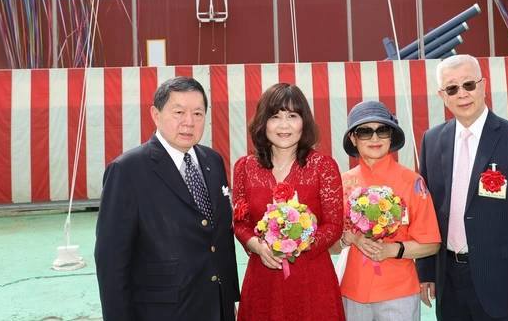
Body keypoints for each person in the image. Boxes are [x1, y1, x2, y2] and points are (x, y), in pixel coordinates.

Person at [94, 76, 239, 321]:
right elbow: (111, 260)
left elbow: (221, 238)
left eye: (198, 113)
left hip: (216, 306)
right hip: (162, 311)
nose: (189, 122)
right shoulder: (128, 170)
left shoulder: (213, 161)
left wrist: (228, 298)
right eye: (179, 112)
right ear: (156, 114)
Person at [416, 54, 508, 321]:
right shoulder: (432, 140)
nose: (462, 94)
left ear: (483, 85)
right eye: (452, 88)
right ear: (442, 95)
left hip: (501, 284)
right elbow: (427, 213)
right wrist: (426, 271)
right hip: (448, 281)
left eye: (468, 84)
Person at [232, 83, 345, 321]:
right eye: (275, 116)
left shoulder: (323, 166)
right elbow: (240, 223)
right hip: (263, 276)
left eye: (292, 116)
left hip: (312, 279)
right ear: (263, 122)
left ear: (304, 122)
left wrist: (297, 245)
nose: (284, 125)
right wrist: (257, 246)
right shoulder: (245, 167)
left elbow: (334, 225)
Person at [336, 100, 442, 321]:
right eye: (365, 132)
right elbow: (330, 246)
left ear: (391, 136)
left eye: (382, 130)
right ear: (353, 139)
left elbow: (431, 243)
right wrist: (350, 238)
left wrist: (392, 250)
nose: (375, 138)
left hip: (398, 292)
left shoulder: (412, 182)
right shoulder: (341, 183)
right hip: (351, 291)